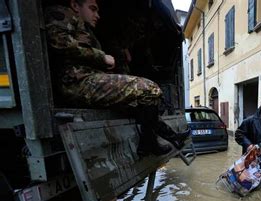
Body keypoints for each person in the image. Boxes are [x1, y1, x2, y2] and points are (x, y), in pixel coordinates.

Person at [44, 0, 189, 156]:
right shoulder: (63, 14)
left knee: (139, 104)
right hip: (77, 83)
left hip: (87, 81)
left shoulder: (86, 29)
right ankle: (149, 143)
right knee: (150, 90)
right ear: (75, 5)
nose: (97, 15)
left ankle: (168, 138)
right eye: (93, 9)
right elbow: (59, 42)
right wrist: (102, 57)